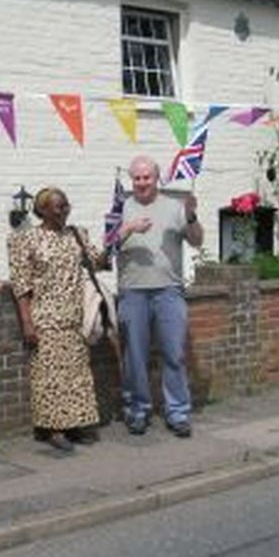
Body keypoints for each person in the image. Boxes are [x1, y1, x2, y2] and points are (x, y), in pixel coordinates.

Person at [7, 187, 110, 451]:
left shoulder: (77, 234)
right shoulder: (25, 239)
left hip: (75, 315)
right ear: (41, 209)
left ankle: (76, 425)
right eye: (58, 206)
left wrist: (112, 243)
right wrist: (27, 322)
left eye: (66, 205)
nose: (64, 210)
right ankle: (54, 430)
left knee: (76, 375)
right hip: (45, 317)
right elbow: (21, 285)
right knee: (50, 375)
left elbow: (97, 262)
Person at [116, 155, 203, 438]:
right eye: (137, 178)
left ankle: (177, 413)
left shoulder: (174, 207)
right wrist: (128, 229)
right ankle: (137, 410)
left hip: (168, 290)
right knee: (135, 356)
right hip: (132, 291)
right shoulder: (121, 205)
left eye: (147, 177)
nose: (142, 183)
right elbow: (105, 246)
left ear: (157, 178)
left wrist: (191, 215)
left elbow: (197, 240)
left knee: (174, 353)